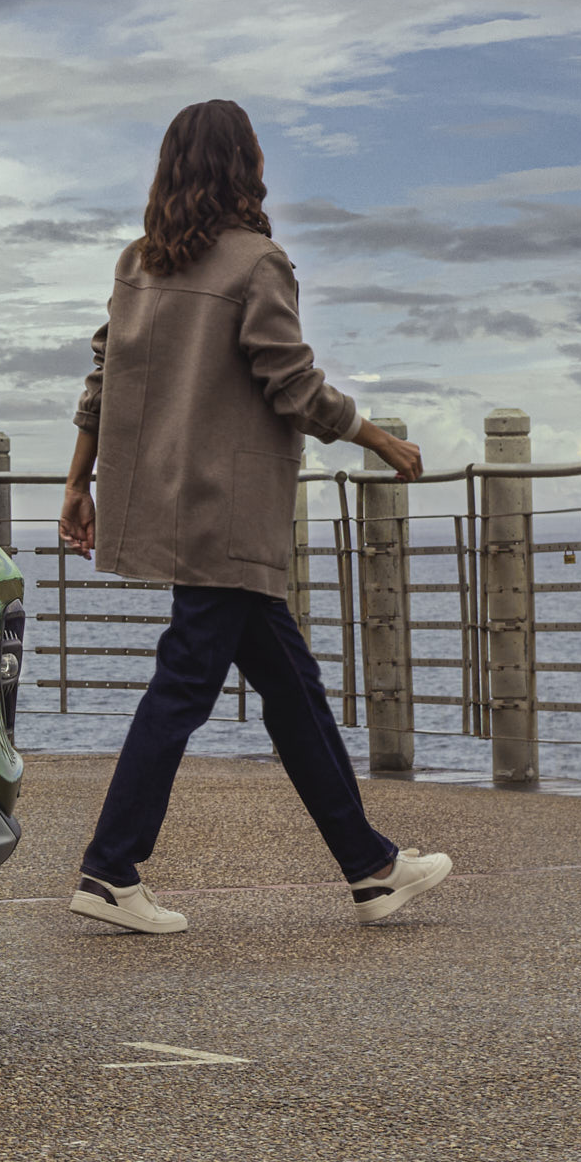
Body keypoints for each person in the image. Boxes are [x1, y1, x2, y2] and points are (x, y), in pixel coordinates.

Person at [54, 98, 452, 935]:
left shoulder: (139, 264)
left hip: (171, 503)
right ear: (244, 165)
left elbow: (104, 378)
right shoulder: (257, 264)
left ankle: (371, 869)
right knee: (184, 683)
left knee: (290, 688)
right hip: (230, 515)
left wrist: (77, 483)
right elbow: (291, 383)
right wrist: (378, 437)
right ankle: (109, 867)